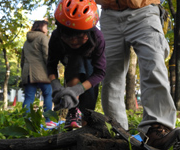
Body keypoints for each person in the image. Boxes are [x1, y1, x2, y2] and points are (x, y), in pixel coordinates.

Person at [96, 0, 180, 149]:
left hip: (144, 10)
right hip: (108, 13)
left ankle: (156, 130)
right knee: (110, 76)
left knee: (153, 64)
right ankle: (118, 133)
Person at [47, 0, 106, 129]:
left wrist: (77, 90)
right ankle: (73, 110)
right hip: (71, 64)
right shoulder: (56, 37)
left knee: (88, 104)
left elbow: (100, 72)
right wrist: (55, 85)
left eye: (79, 37)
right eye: (68, 36)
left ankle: (83, 117)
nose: (73, 41)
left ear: (89, 32)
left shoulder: (97, 38)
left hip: (91, 70)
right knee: (76, 60)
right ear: (60, 30)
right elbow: (51, 64)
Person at [21, 20, 56, 128]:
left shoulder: (26, 41)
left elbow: (22, 59)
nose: (47, 29)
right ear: (40, 27)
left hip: (28, 72)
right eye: (46, 27)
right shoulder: (43, 37)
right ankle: (48, 120)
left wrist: (24, 71)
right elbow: (47, 55)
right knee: (48, 94)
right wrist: (52, 70)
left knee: (29, 97)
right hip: (42, 72)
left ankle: (26, 122)